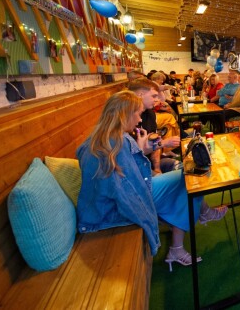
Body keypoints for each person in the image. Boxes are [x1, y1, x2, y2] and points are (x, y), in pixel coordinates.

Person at [75, 90, 227, 271]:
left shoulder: (101, 137)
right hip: (114, 210)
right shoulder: (118, 143)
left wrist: (141, 151)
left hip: (107, 203)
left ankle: (191, 227)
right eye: (138, 114)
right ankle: (191, 229)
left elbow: (126, 177)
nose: (140, 119)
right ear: (125, 115)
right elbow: (130, 192)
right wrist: (151, 220)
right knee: (189, 178)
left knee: (186, 178)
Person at [127, 78, 181, 174]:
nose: (157, 99)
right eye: (154, 96)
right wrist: (163, 143)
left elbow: (155, 141)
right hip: (137, 171)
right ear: (140, 95)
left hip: (149, 164)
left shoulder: (150, 113)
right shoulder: (126, 120)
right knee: (182, 177)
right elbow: (132, 158)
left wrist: (157, 168)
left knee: (185, 169)